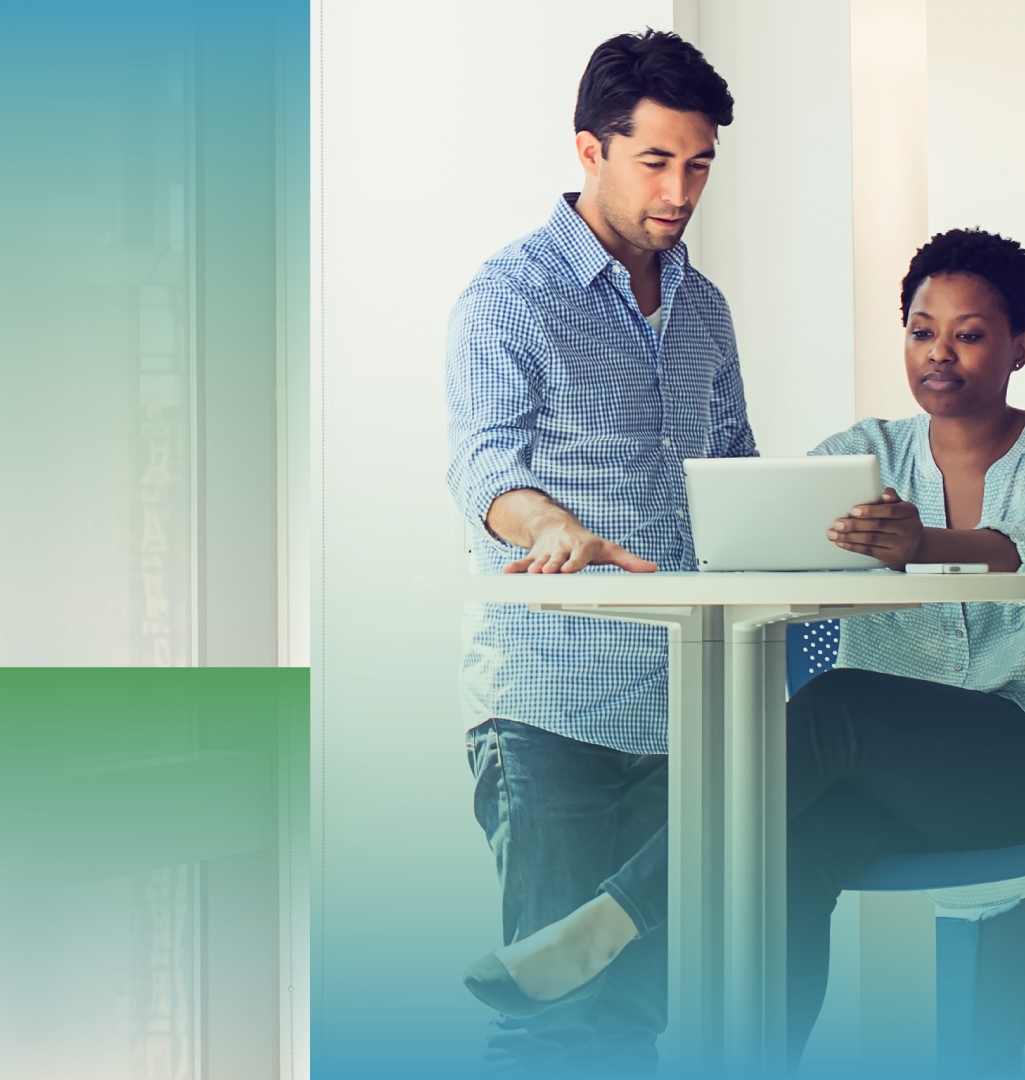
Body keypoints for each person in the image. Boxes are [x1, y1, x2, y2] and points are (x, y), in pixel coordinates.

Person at [466, 227, 1025, 1062]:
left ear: (1019, 345)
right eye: (920, 330)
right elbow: (758, 523)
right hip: (898, 787)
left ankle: (612, 918)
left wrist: (926, 545)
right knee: (787, 852)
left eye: (969, 334)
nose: (939, 352)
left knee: (835, 701)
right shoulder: (863, 457)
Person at [443, 29, 752, 1073]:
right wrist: (550, 526)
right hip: (554, 712)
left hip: (689, 714)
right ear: (590, 148)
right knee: (552, 1027)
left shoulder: (706, 311)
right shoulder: (508, 297)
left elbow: (734, 476)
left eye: (699, 163)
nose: (681, 189)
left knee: (635, 1022)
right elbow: (485, 466)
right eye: (657, 161)